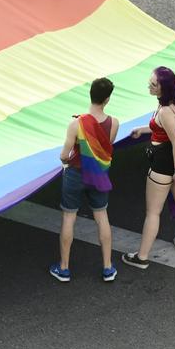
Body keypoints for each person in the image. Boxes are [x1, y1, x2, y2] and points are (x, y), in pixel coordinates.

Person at [121, 66, 175, 267]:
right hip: (172, 162)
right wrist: (144, 129)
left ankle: (142, 257)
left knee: (153, 212)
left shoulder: (164, 112)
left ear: (163, 88)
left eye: (153, 84)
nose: (149, 87)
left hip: (163, 165)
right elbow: (164, 130)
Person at [52, 76, 119, 283]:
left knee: (69, 218)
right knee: (102, 217)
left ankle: (64, 268)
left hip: (75, 174)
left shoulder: (76, 124)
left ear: (90, 94)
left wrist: (69, 158)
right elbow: (106, 146)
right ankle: (108, 267)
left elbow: (64, 155)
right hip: (98, 175)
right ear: (107, 99)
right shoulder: (114, 123)